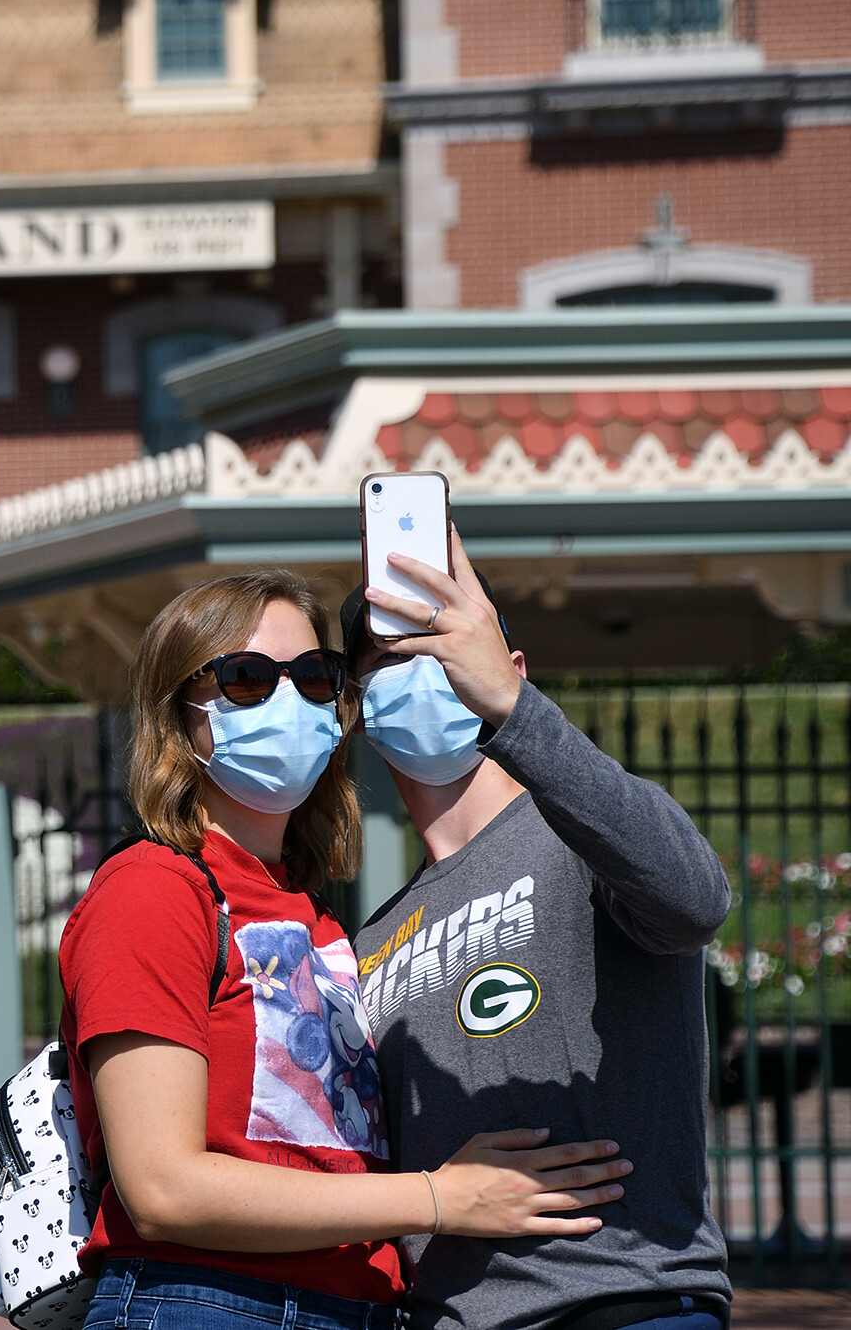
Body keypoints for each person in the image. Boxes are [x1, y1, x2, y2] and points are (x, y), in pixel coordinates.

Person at [62, 568, 631, 1330]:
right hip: (206, 1302)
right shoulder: (154, 888)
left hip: (350, 1308)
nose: (287, 701)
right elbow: (163, 1188)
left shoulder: (318, 919)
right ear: (180, 715)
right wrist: (440, 1198)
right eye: (245, 679)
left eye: (315, 677)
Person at [347, 529, 732, 1330]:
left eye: (444, 642)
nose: (421, 670)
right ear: (359, 710)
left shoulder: (586, 833)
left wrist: (514, 714)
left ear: (506, 666)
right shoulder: (368, 939)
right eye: (390, 658)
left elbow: (695, 900)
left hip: (620, 1300)